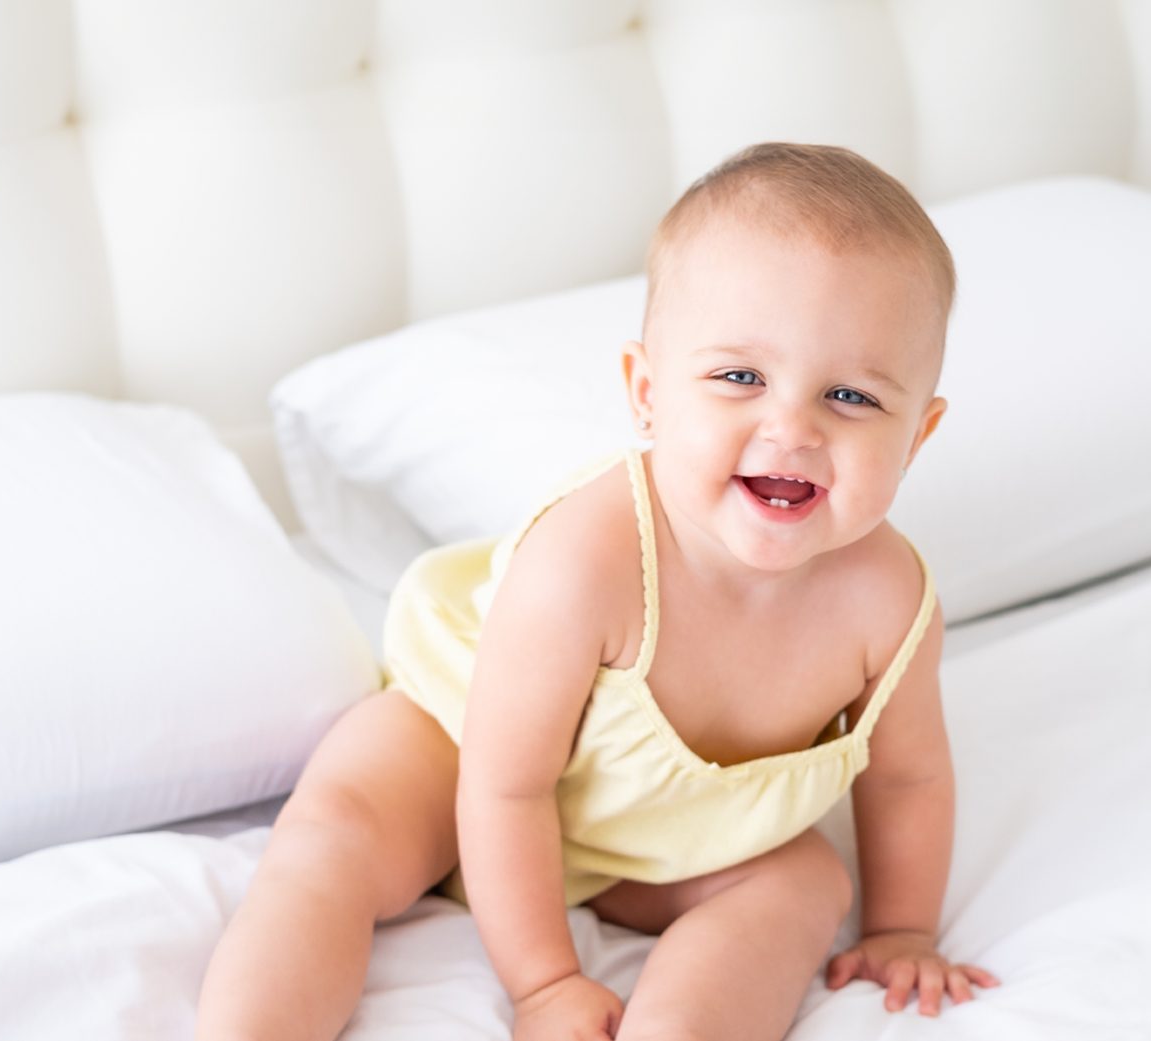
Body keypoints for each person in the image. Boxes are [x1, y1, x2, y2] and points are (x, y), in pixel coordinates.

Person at [194, 141, 1002, 1041]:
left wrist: (902, 928)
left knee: (806, 880)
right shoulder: (589, 558)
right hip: (462, 758)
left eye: (851, 396)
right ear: (648, 393)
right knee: (333, 833)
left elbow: (909, 778)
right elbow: (505, 788)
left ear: (919, 434)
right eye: (740, 377)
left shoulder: (889, 601)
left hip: (652, 840)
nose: (793, 428)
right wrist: (545, 985)